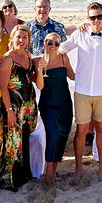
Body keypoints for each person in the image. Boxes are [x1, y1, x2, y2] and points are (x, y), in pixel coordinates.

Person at [61, 2, 102, 184]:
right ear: (88, 18)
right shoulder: (80, 33)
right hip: (83, 90)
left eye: (99, 16)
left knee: (101, 128)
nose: (96, 20)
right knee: (81, 130)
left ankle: (101, 166)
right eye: (92, 17)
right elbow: (62, 49)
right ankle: (78, 169)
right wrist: (69, 70)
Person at [0, 24, 41, 191]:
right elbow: (3, 87)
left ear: (29, 40)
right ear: (12, 39)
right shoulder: (8, 59)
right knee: (12, 143)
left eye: (25, 37)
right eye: (18, 37)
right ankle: (9, 180)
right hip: (12, 106)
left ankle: (23, 174)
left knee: (23, 141)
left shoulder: (28, 55)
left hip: (28, 105)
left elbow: (38, 80)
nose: (21, 40)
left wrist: (40, 64)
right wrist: (9, 112)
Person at [37, 32, 74, 187]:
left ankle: (54, 167)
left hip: (64, 102)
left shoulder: (64, 57)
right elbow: (39, 86)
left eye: (57, 43)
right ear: (44, 43)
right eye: (50, 43)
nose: (53, 46)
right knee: (52, 135)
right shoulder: (39, 60)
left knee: (62, 135)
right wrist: (39, 70)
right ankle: (49, 171)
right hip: (48, 104)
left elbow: (72, 76)